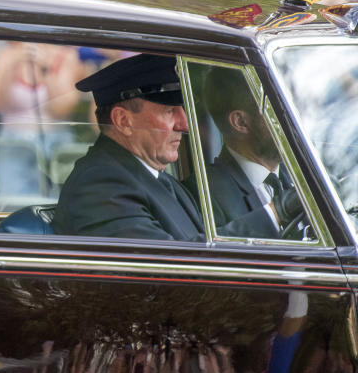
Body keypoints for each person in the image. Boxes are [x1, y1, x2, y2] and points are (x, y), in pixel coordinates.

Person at [54, 54, 276, 240]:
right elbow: (170, 273)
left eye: (182, 109)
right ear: (123, 121)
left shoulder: (158, 179)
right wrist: (274, 215)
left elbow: (200, 248)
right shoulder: (100, 186)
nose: (185, 124)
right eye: (169, 111)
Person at [192, 68, 302, 237]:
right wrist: (280, 211)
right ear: (241, 122)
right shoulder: (204, 195)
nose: (295, 120)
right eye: (280, 110)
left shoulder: (305, 174)